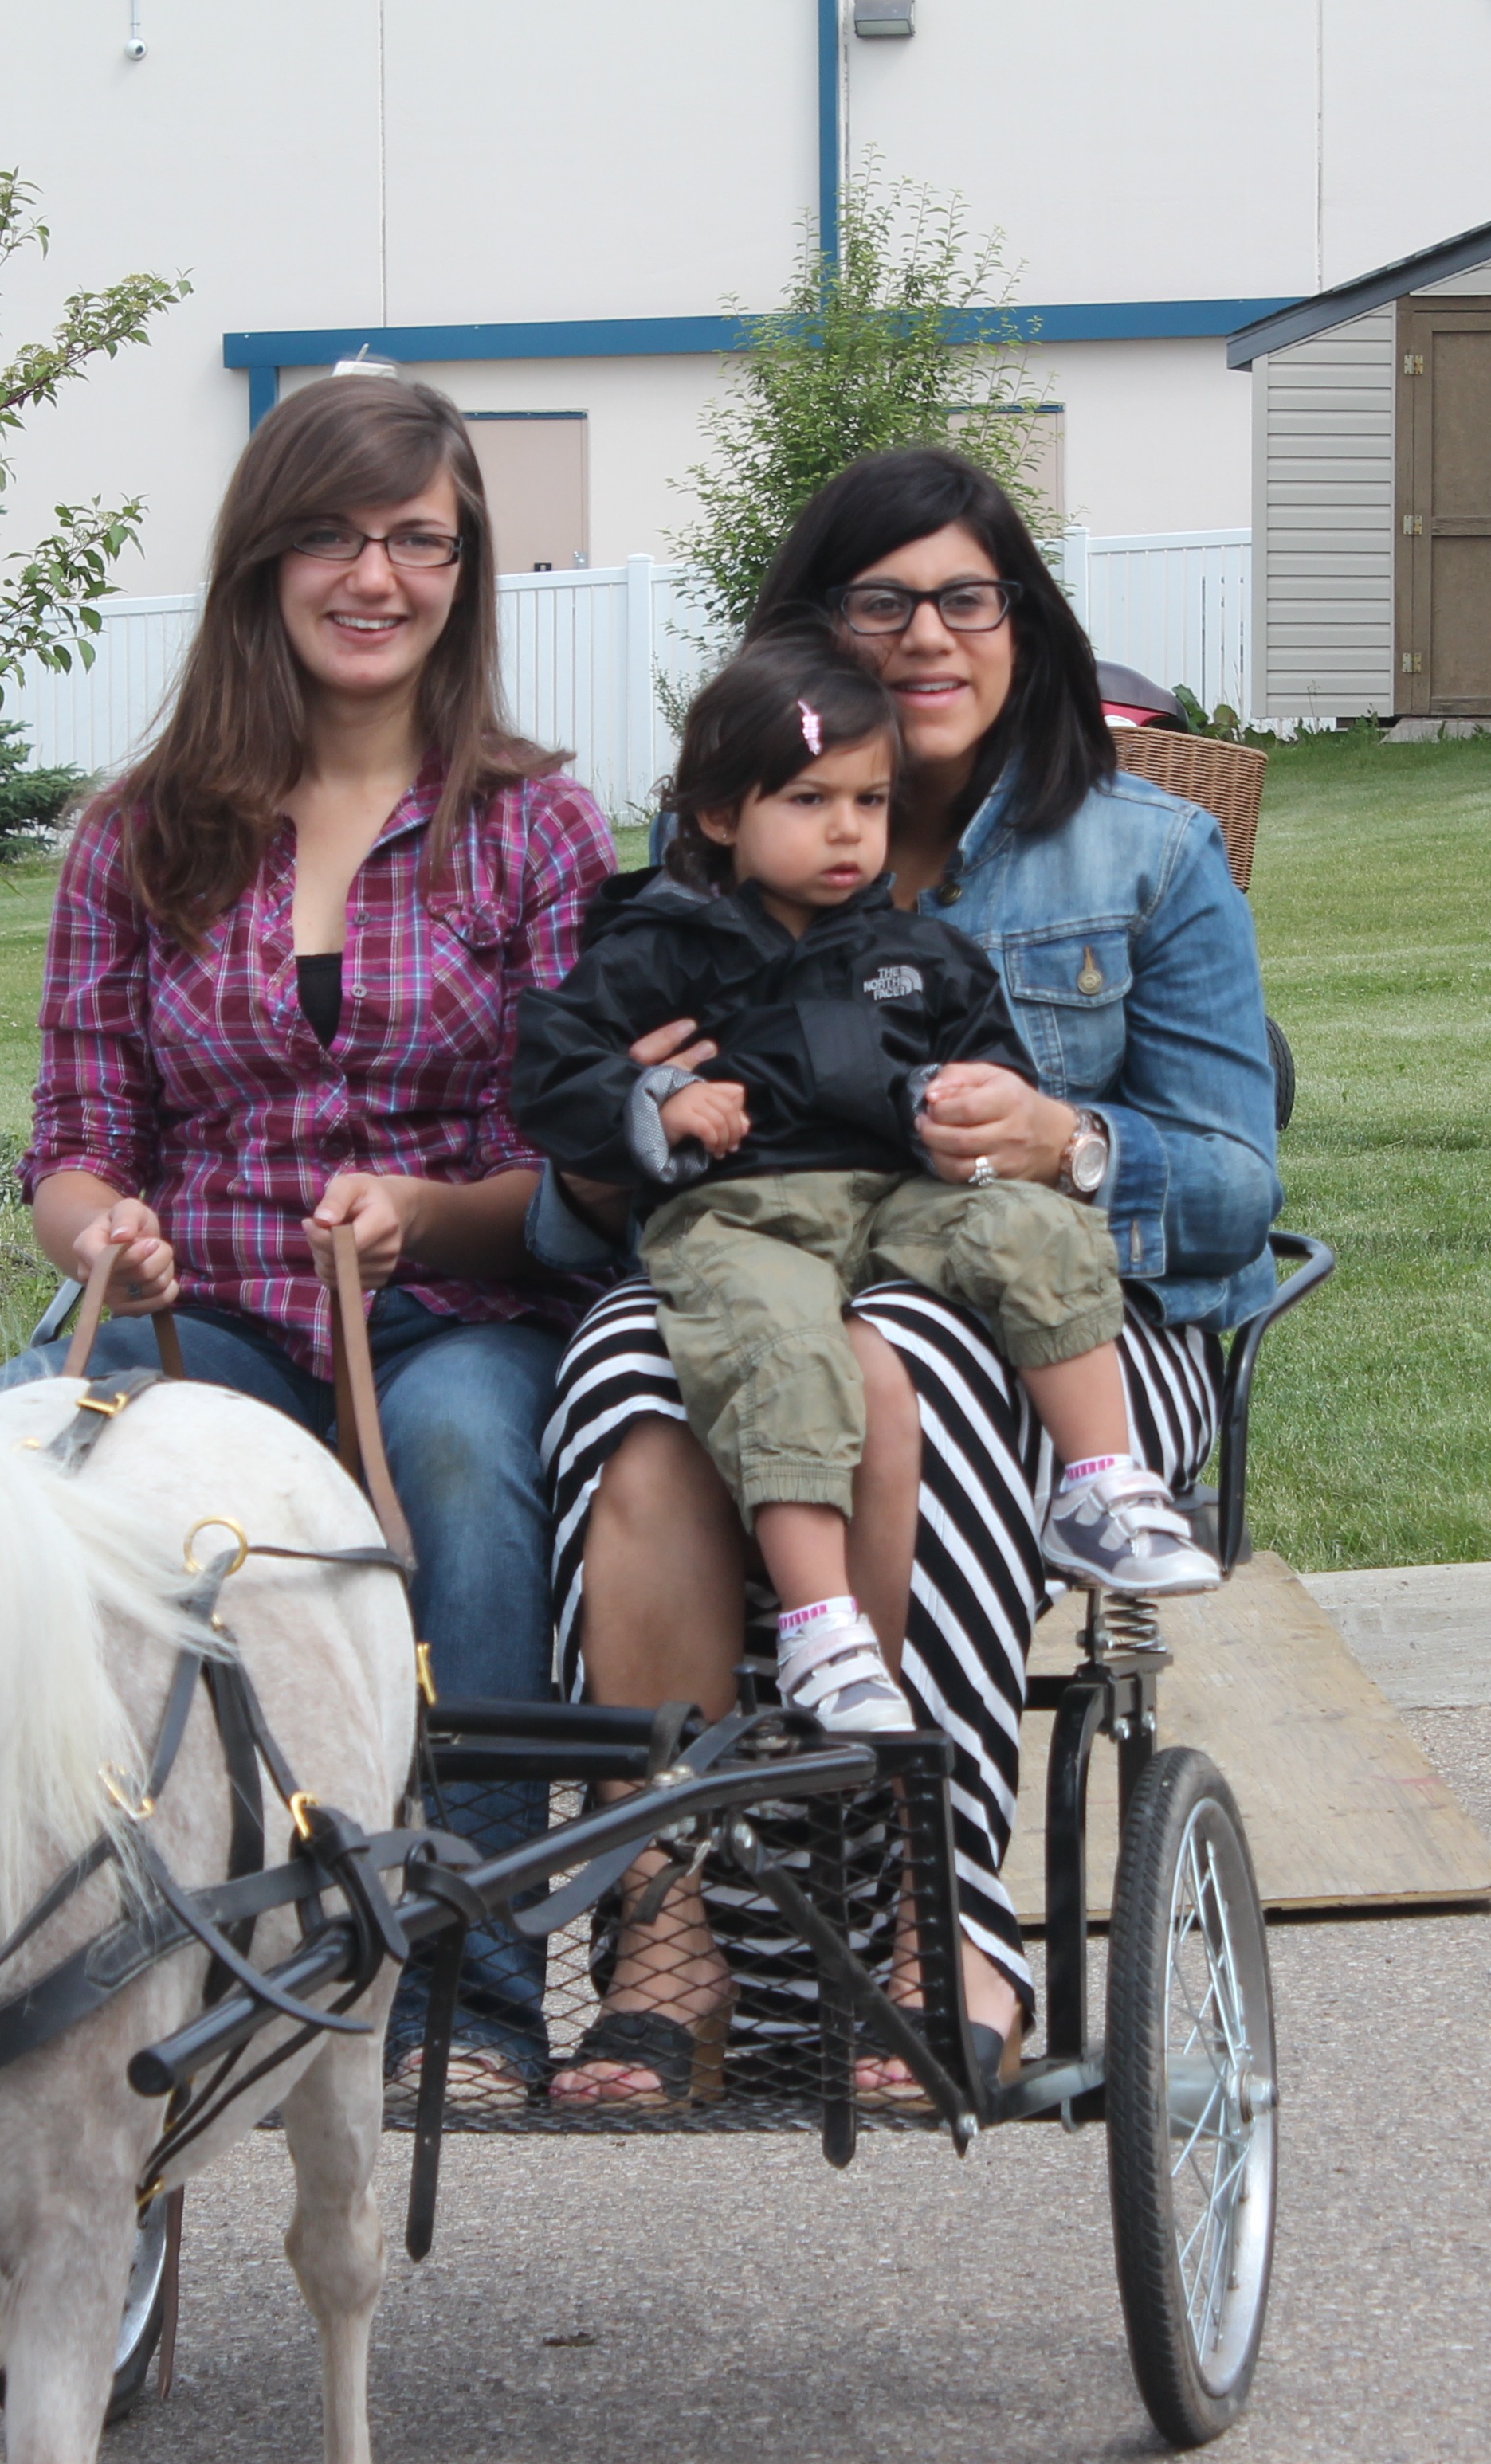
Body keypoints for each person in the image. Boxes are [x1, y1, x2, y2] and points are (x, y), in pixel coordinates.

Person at [535, 449, 1279, 2110]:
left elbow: (1237, 1185)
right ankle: (669, 1946)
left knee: (907, 1363)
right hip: (761, 1272)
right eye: (882, 601)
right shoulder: (700, 875)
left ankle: (936, 1925)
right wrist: (627, 1134)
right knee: (631, 1396)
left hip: (1062, 1329)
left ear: (1023, 622)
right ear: (812, 639)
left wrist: (1065, 1136)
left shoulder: (1148, 857)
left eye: (965, 598)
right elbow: (583, 1190)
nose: (926, 637)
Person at [0, 373, 610, 2109]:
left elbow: (573, 1170)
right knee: (27, 1465)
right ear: (265, 560)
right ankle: (47, 1935)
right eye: (337, 536)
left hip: (459, 1308)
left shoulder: (533, 824)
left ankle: (470, 1995)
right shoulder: (140, 836)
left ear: (464, 569)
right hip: (209, 1317)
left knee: (474, 1467)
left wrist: (422, 1217)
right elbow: (73, 1140)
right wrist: (104, 1226)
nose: (377, 578)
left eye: (420, 541)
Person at [514, 631, 1217, 1741]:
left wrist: (980, 1102)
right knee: (786, 1348)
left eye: (871, 800)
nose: (848, 830)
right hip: (740, 1214)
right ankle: (823, 1624)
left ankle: (1102, 1482)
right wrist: (649, 1101)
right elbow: (552, 1067)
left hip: (895, 1195)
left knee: (1029, 1227)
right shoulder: (661, 943)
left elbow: (990, 1060)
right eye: (808, 799)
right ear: (715, 816)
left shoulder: (912, 950)